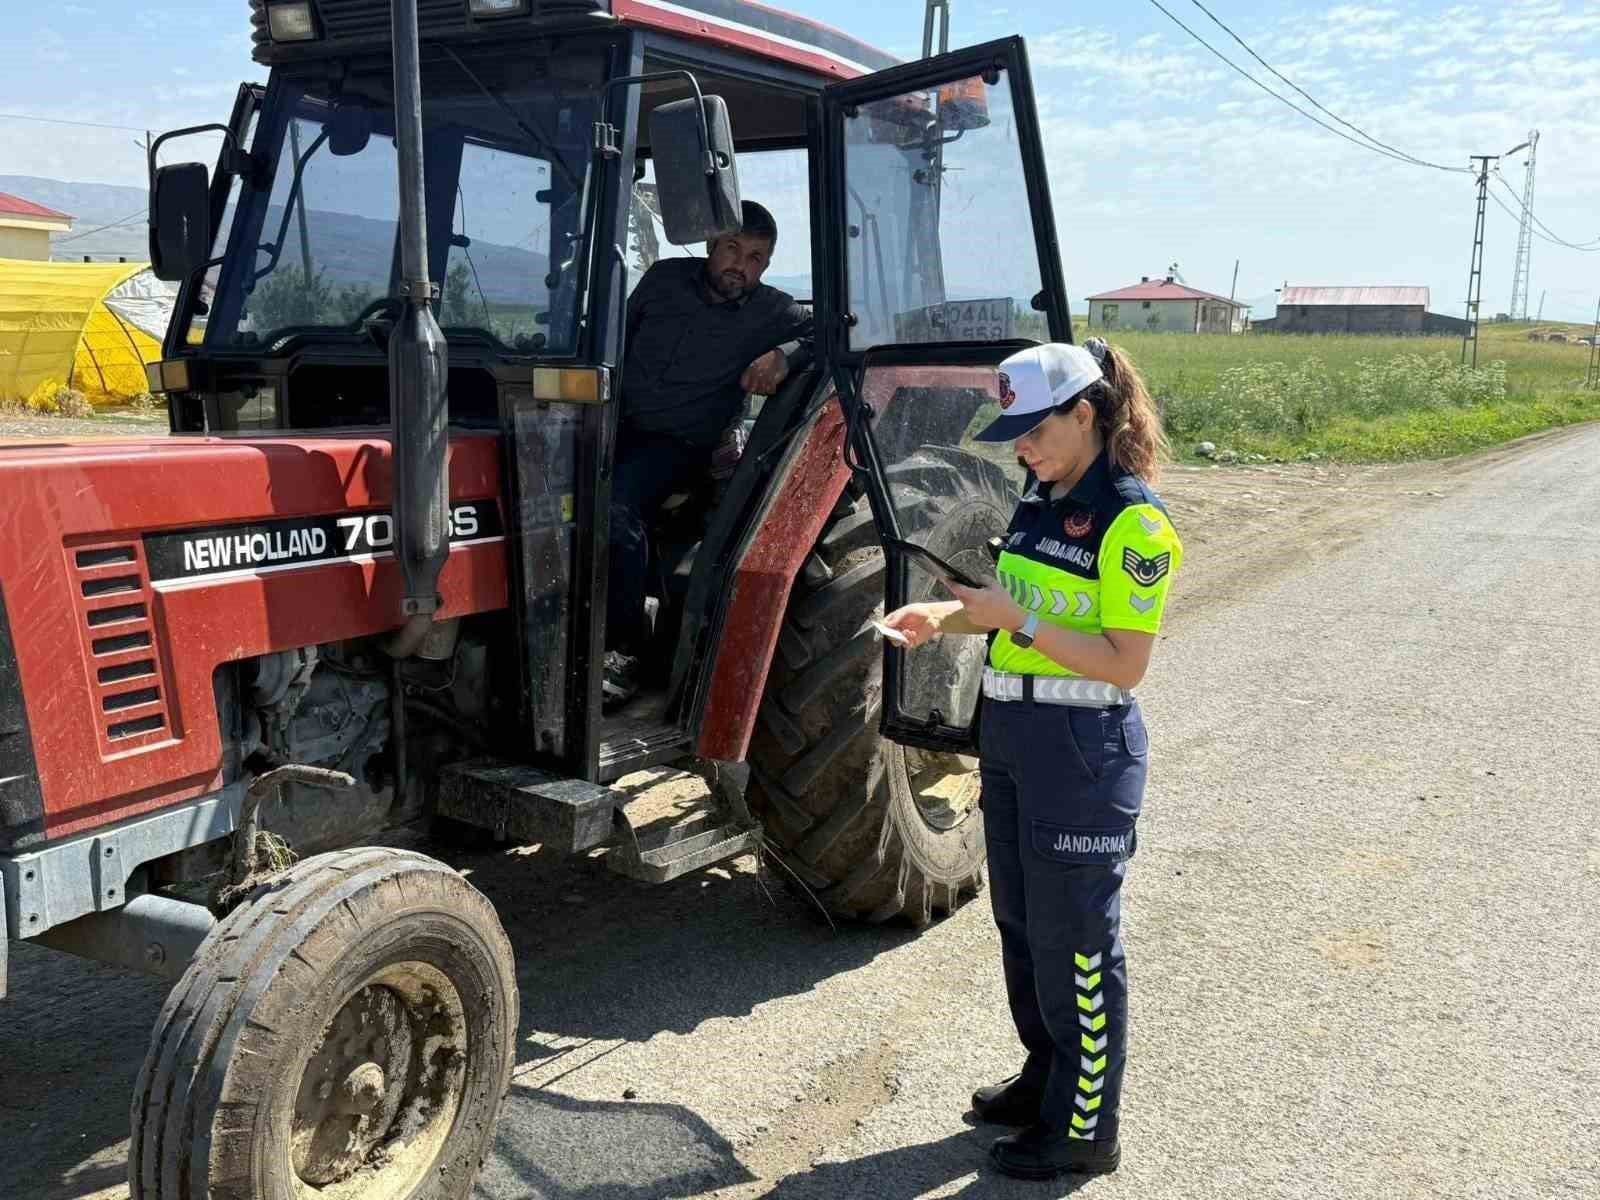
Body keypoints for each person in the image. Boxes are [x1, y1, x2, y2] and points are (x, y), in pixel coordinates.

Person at [882, 338, 1180, 1180]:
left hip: (1083, 751)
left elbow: (1124, 661)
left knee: (1077, 943)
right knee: (1022, 927)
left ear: (1084, 413)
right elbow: (1010, 607)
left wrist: (1015, 622)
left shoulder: (1134, 521)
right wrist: (942, 618)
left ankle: (1086, 1127)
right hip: (1014, 737)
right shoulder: (1041, 498)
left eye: (1031, 427)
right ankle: (1047, 1075)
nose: (1019, 445)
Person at [604, 200, 811, 709]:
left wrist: (783, 355)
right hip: (611, 427)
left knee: (615, 506)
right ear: (711, 246)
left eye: (757, 258)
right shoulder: (663, 279)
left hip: (683, 446)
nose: (741, 265)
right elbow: (613, 336)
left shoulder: (772, 311)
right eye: (733, 249)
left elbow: (834, 330)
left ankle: (625, 648)